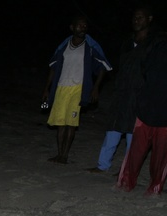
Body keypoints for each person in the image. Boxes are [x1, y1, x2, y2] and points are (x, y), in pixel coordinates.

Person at [87, 6, 157, 174]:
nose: (136, 20)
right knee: (113, 128)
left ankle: (126, 169)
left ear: (149, 19)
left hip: (140, 94)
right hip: (122, 93)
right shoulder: (128, 42)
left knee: (133, 133)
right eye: (134, 17)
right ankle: (103, 165)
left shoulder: (154, 43)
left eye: (140, 17)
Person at [42, 14, 112, 164]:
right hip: (61, 87)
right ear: (72, 28)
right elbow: (53, 68)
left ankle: (65, 156)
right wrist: (46, 89)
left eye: (85, 26)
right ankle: (59, 154)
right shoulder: (64, 46)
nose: (83, 28)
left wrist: (95, 88)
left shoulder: (90, 46)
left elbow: (103, 67)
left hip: (78, 89)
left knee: (71, 123)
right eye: (80, 25)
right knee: (60, 123)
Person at [116, 35, 167, 196]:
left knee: (161, 156)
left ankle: (155, 187)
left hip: (163, 116)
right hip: (146, 109)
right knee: (136, 153)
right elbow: (144, 70)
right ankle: (126, 182)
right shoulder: (158, 46)